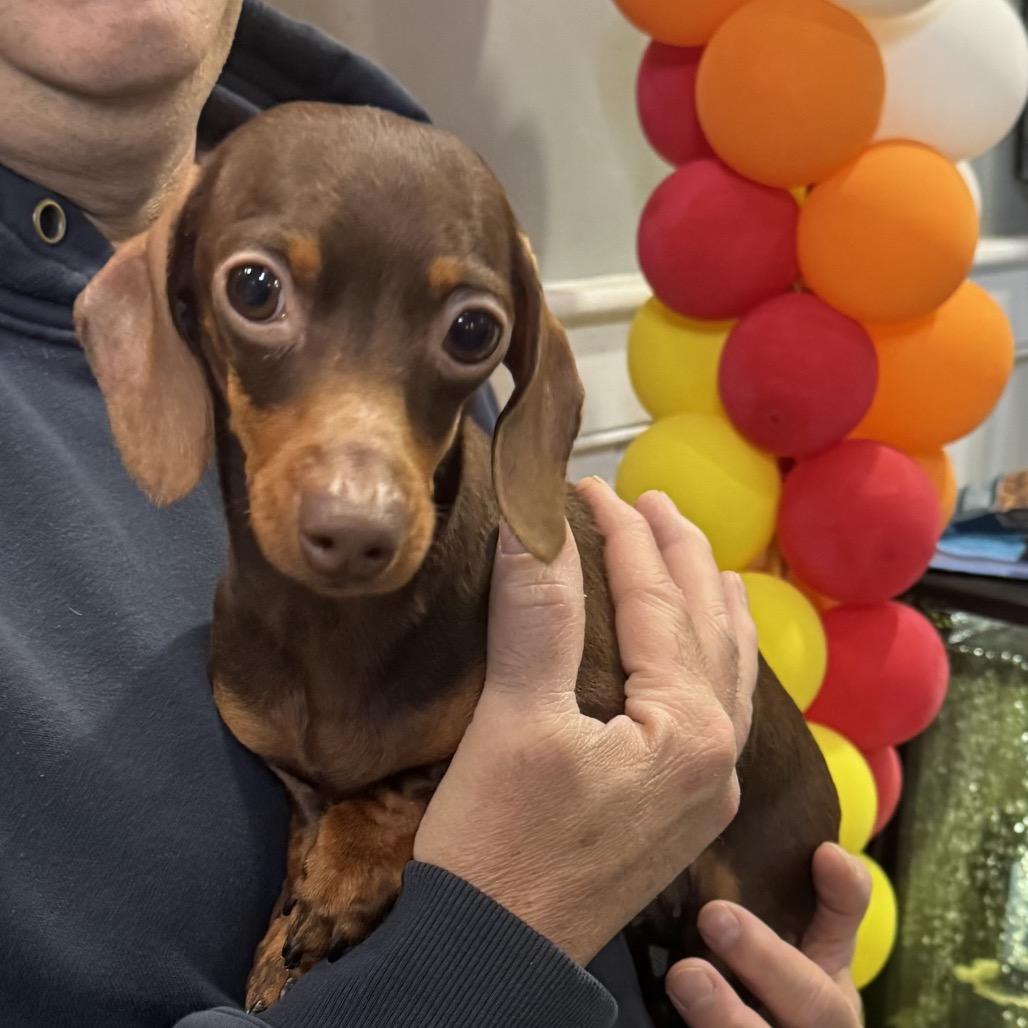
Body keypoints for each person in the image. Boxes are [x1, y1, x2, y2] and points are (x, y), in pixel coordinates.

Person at [0, 2, 871, 1026]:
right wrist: (499, 923)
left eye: (466, 333)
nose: (362, 503)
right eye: (256, 290)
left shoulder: (418, 204)